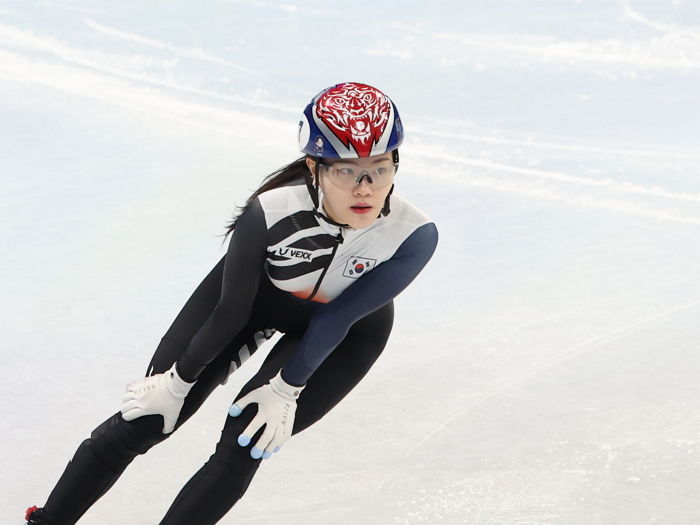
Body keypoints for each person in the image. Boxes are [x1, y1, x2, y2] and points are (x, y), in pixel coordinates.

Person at [24, 81, 438, 525]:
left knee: (245, 443)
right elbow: (232, 311)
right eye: (346, 170)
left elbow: (338, 317)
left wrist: (286, 388)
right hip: (249, 305)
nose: (366, 187)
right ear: (314, 167)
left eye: (380, 168)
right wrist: (178, 381)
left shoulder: (413, 235)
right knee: (146, 417)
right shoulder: (271, 212)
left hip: (347, 330)